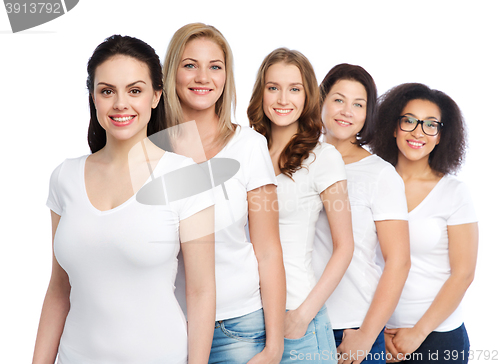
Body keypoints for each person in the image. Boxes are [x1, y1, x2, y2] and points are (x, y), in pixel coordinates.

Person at [32, 35, 216, 364]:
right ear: (94, 97)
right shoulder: (65, 177)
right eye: (107, 91)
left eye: (135, 90)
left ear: (156, 96)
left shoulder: (185, 176)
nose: (120, 104)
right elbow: (59, 289)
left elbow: (201, 293)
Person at [162, 23, 286, 364]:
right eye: (190, 65)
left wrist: (273, 346)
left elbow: (269, 250)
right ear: (171, 73)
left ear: (226, 76)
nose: (203, 77)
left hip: (236, 329)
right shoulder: (148, 150)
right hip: (164, 327)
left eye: (215, 66)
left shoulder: (249, 147)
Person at [248, 48, 354, 362]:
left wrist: (302, 315)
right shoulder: (246, 151)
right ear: (261, 93)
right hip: (247, 317)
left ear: (307, 96)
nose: (283, 99)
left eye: (294, 89)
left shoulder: (324, 158)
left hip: (296, 316)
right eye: (273, 88)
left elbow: (344, 246)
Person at [370, 83, 478, 363]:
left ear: (441, 136)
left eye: (431, 125)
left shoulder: (454, 192)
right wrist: (373, 332)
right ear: (393, 127)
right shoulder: (370, 183)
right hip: (376, 334)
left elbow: (463, 273)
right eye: (409, 121)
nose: (418, 132)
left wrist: (417, 334)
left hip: (438, 338)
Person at [312, 64, 411, 364]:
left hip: (351, 327)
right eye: (339, 99)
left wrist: (367, 335)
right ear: (322, 102)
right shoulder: (300, 160)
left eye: (358, 104)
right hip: (299, 321)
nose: (346, 111)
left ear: (368, 115)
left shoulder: (380, 174)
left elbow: (399, 261)